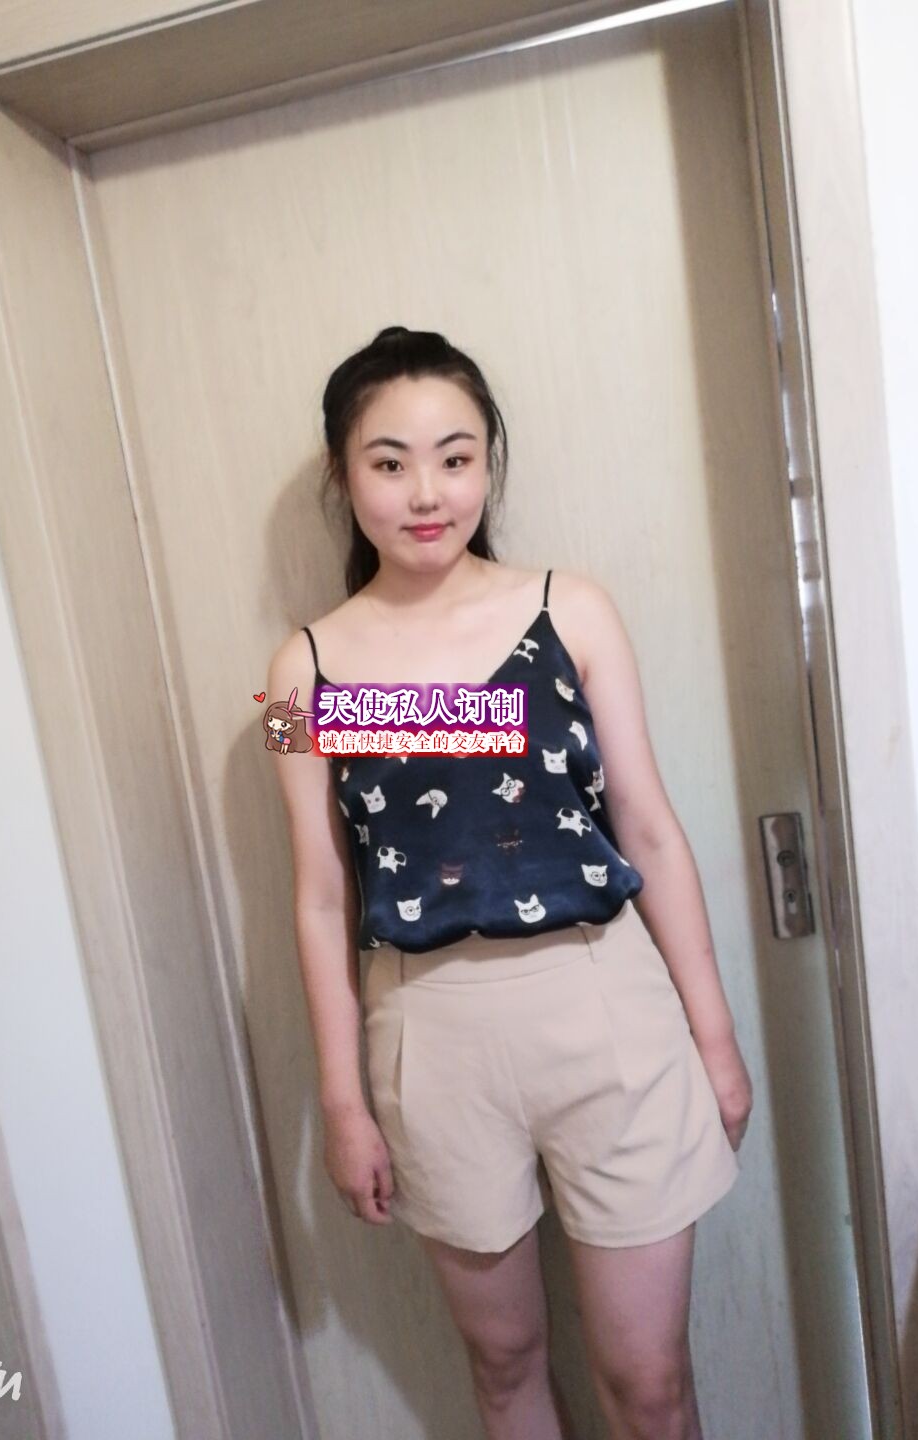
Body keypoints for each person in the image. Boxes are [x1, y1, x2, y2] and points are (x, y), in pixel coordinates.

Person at [266, 325, 752, 1440]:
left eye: (455, 457)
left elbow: (648, 827)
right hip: (431, 1034)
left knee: (650, 1384)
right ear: (344, 476)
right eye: (389, 462)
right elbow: (321, 895)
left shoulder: (572, 612)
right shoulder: (302, 674)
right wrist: (341, 1103)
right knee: (502, 1369)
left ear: (489, 462)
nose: (426, 492)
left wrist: (715, 1039)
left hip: (603, 1003)